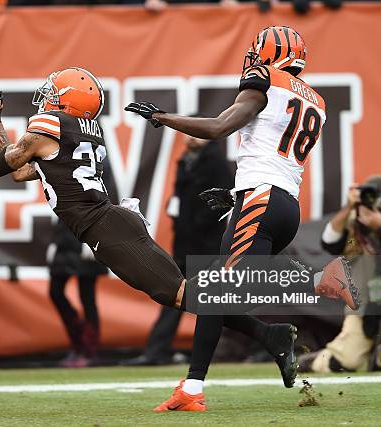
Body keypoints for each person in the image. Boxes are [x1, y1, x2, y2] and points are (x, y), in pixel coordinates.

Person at [0, 66, 357, 388]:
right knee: (188, 296)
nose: (47, 99)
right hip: (113, 223)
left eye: (54, 93)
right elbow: (18, 170)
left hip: (107, 227)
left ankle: (309, 287)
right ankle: (272, 336)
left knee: (189, 294)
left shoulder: (48, 128)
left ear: (66, 100)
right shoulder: (73, 131)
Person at [126, 25, 353, 412]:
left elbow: (218, 127)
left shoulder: (265, 80)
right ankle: (272, 336)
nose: (252, 61)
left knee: (214, 291)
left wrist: (162, 117)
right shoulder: (314, 99)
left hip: (261, 202)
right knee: (212, 291)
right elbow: (272, 152)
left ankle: (193, 388)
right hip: (282, 206)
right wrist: (236, 195)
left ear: (270, 55)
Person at [299, 176, 381, 373]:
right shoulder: (356, 225)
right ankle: (312, 361)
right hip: (364, 308)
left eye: (380, 197)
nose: (374, 202)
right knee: (342, 363)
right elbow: (329, 242)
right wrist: (349, 207)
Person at [126, 134, 234, 366]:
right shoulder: (185, 160)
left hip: (206, 245)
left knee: (214, 299)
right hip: (186, 243)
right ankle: (157, 350)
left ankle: (247, 343)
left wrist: (200, 223)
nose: (191, 138)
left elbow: (223, 203)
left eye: (197, 134)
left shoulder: (216, 163)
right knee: (175, 294)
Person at [48, 220, 106, 367]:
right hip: (65, 240)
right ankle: (79, 341)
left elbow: (102, 204)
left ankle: (90, 349)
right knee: (55, 292)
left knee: (87, 298)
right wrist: (55, 241)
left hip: (86, 238)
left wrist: (93, 240)